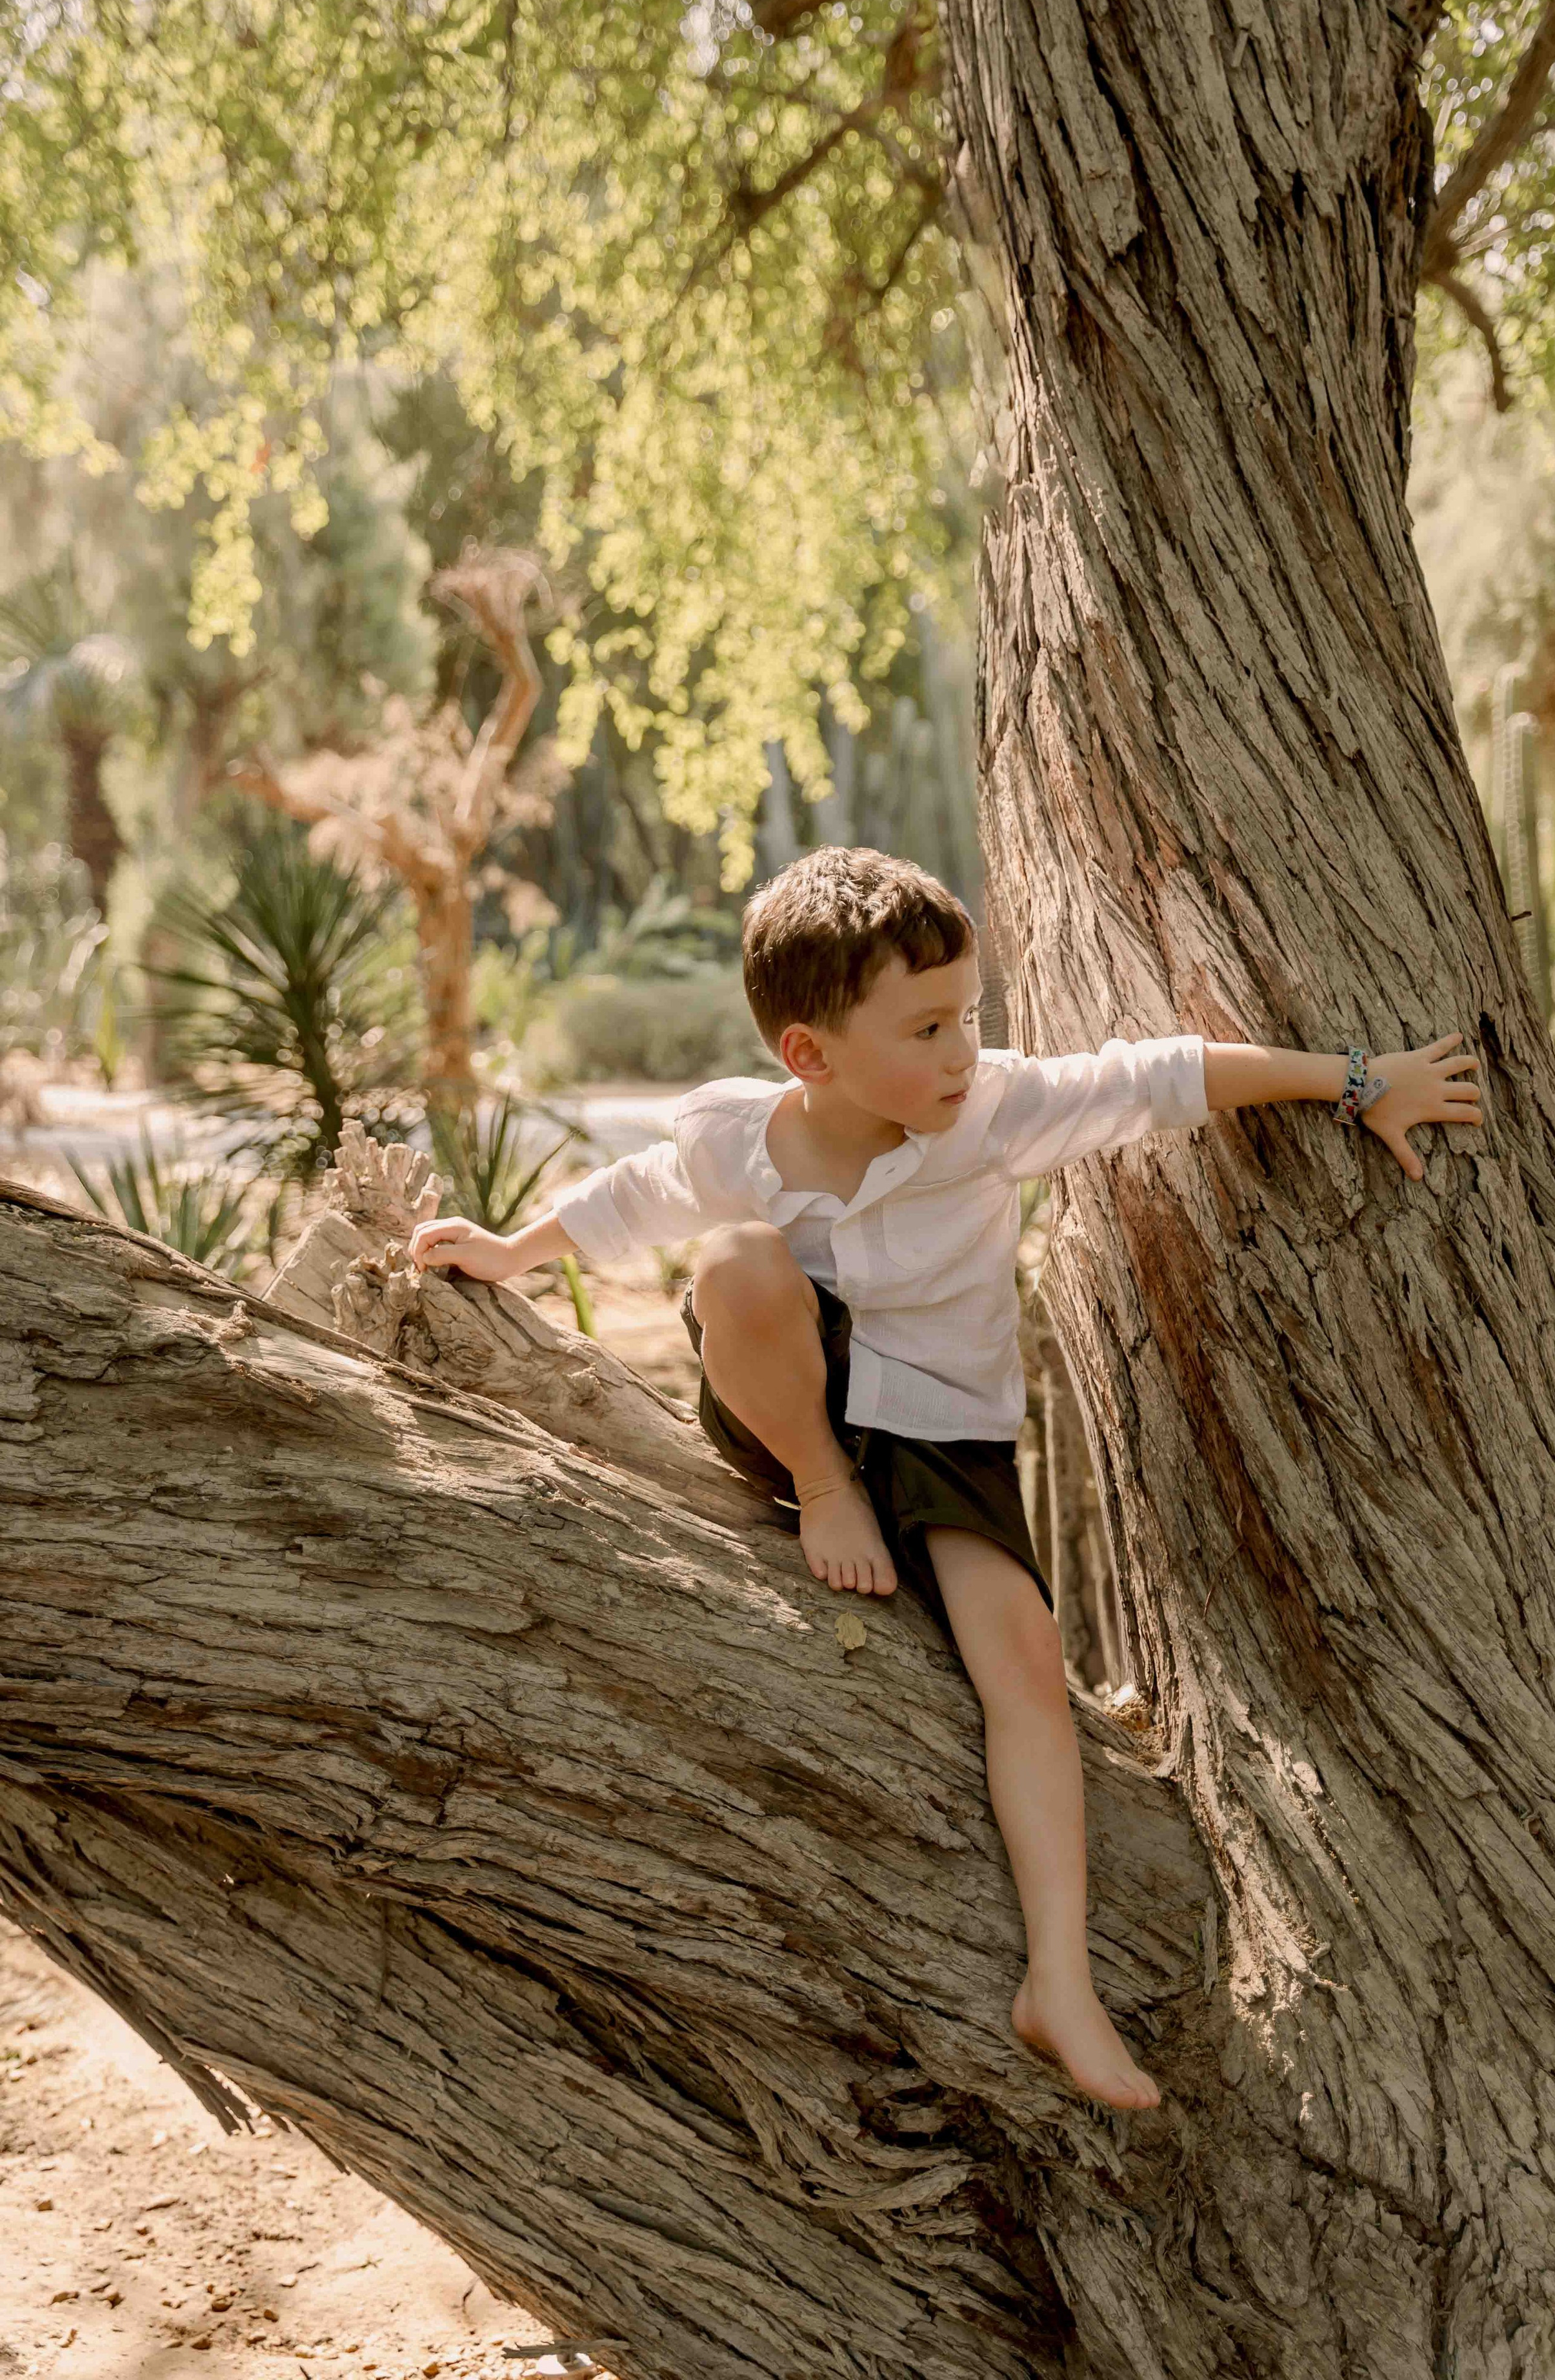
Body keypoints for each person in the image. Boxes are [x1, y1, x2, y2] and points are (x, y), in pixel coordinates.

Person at [410, 846, 1483, 2111]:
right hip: (791, 1405)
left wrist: (1360, 1082)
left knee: (1022, 1664)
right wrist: (510, 1248)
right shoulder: (738, 1136)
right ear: (810, 1055)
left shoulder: (991, 1110)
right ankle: (824, 1491)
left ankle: (1058, 1985)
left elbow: (1164, 1075)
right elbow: (631, 1198)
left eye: (965, 1014)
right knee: (738, 1265)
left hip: (943, 1435)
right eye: (925, 1028)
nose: (962, 1049)